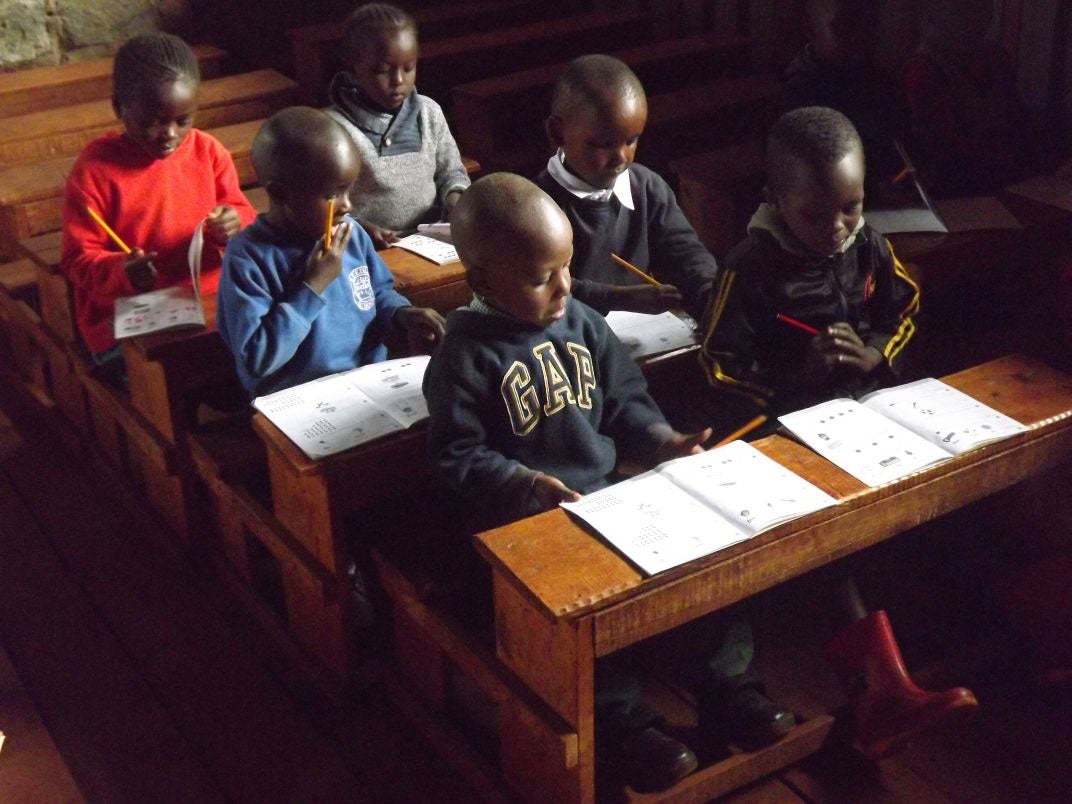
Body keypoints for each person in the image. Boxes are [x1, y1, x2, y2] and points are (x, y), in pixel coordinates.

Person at [424, 173, 794, 792]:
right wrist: (524, 482)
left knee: (698, 570)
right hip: (526, 524)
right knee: (581, 620)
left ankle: (728, 686)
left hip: (603, 501)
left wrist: (662, 440)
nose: (565, 287)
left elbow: (625, 400)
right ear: (483, 281)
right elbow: (456, 457)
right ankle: (618, 722)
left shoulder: (583, 323)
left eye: (566, 268)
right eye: (542, 278)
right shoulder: (463, 356)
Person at [702, 106, 977, 759]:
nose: (837, 228)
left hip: (867, 410)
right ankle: (879, 691)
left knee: (944, 489)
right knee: (833, 542)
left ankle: (931, 650)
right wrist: (794, 372)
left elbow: (905, 306)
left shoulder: (869, 246)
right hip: (786, 427)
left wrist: (878, 354)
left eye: (851, 208)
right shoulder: (749, 266)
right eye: (815, 215)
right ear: (776, 200)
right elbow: (716, 364)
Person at [216, 107, 444, 397]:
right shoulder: (248, 258)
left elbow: (378, 295)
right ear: (281, 194)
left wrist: (402, 314)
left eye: (349, 190)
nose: (347, 206)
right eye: (332, 195)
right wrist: (312, 287)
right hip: (298, 399)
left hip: (367, 384)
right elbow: (257, 359)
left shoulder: (350, 233)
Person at [61, 32, 256, 371]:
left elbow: (242, 212)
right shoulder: (95, 170)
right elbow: (78, 260)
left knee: (261, 351)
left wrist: (233, 223)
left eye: (183, 121)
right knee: (182, 370)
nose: (169, 134)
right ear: (119, 108)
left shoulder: (207, 151)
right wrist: (123, 271)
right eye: (152, 122)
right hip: (127, 317)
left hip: (205, 301)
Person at [533, 55, 717, 320]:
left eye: (631, 141)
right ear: (558, 133)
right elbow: (544, 287)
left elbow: (685, 253)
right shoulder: (537, 206)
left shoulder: (647, 187)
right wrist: (620, 298)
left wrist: (707, 291)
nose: (621, 156)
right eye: (604, 144)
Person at [326, 2, 470, 248]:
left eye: (409, 68)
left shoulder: (428, 112)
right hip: (368, 248)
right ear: (353, 67)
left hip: (432, 240)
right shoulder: (333, 128)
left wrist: (456, 200)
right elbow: (324, 203)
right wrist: (360, 229)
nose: (399, 81)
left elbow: (452, 173)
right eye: (383, 70)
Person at [902, 0, 1037, 196]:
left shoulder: (997, 59)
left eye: (983, 7)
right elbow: (944, 155)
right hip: (959, 194)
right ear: (934, 13)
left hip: (1013, 184)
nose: (977, 17)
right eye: (964, 8)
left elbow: (1020, 127)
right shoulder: (923, 70)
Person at [777, 0, 905, 195]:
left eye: (871, 24)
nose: (861, 37)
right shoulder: (799, 94)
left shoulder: (879, 82)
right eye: (847, 25)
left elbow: (899, 145)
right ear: (810, 30)